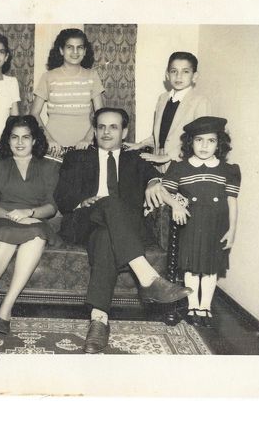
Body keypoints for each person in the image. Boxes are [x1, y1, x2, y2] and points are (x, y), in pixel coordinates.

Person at [54, 107, 192, 354]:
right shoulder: (77, 157)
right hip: (84, 221)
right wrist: (81, 202)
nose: (106, 132)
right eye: (101, 127)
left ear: (125, 132)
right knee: (108, 204)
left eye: (113, 127)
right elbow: (62, 197)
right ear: (95, 131)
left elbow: (154, 177)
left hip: (121, 228)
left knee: (106, 236)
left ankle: (99, 321)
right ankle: (148, 278)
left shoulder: (136, 159)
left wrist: (153, 182)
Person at [0, 115, 60, 336]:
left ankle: (7, 306)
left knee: (36, 234)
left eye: (25, 137)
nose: (19, 142)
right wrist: (12, 216)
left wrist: (29, 213)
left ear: (34, 140)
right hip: (3, 219)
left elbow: (51, 206)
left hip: (34, 220)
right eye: (14, 137)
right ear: (7, 140)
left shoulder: (49, 166)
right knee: (5, 233)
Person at [161, 116, 240, 328]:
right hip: (192, 225)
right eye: (199, 140)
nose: (204, 146)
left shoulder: (228, 170)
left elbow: (232, 201)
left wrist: (232, 230)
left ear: (219, 144)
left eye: (211, 141)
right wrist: (176, 205)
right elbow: (164, 191)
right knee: (192, 267)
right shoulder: (180, 168)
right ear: (191, 142)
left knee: (210, 268)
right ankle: (193, 306)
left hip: (216, 226)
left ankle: (205, 306)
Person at [127, 52, 211, 172]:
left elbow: (200, 139)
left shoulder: (200, 102)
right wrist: (140, 144)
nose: (178, 76)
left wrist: (168, 156)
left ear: (195, 76)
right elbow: (161, 135)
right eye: (174, 71)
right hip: (158, 163)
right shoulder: (162, 98)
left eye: (185, 71)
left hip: (183, 164)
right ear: (167, 75)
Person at [30, 28, 104, 154]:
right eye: (69, 47)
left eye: (79, 47)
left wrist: (88, 139)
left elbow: (100, 114)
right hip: (54, 147)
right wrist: (48, 139)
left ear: (85, 51)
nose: (75, 52)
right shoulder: (48, 77)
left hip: (84, 146)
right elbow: (34, 114)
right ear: (61, 50)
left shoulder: (92, 76)